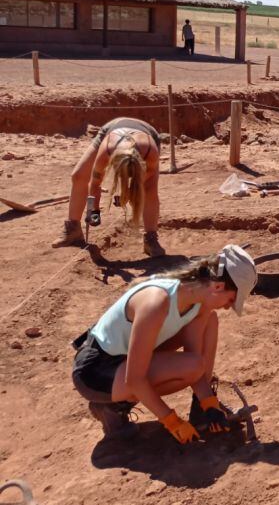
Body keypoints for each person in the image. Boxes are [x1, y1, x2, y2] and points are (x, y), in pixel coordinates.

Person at [71, 245, 257, 442]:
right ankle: (113, 407)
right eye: (231, 300)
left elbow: (196, 364)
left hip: (125, 360)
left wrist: (209, 404)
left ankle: (200, 411)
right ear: (218, 286)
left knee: (207, 329)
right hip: (95, 371)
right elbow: (134, 379)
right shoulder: (156, 303)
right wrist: (172, 421)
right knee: (190, 366)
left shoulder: (199, 304)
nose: (228, 307)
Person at [52, 117, 165, 257]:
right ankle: (72, 229)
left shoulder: (150, 152)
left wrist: (130, 192)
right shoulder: (106, 151)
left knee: (149, 190)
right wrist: (94, 212)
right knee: (78, 175)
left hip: (147, 134)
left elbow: (146, 182)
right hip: (112, 130)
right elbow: (94, 184)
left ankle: (151, 239)